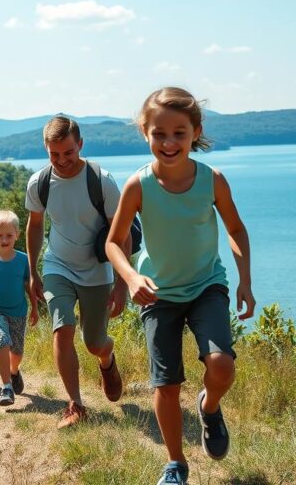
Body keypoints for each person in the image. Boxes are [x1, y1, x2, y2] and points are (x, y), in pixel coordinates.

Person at [105, 87, 256, 485]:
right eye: (159, 134)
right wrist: (131, 277)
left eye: (179, 133)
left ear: (195, 132)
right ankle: (176, 464)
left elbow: (236, 229)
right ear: (145, 132)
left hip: (207, 285)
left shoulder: (213, 180)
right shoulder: (138, 185)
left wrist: (245, 281)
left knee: (222, 366)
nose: (169, 143)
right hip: (158, 294)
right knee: (166, 384)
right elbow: (113, 241)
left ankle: (209, 407)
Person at [25, 115, 127, 429]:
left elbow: (122, 232)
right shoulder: (39, 183)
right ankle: (76, 404)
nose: (62, 161)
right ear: (46, 150)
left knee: (94, 342)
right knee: (62, 327)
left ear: (80, 145)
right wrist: (33, 272)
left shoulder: (102, 180)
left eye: (68, 153)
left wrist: (122, 283)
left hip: (97, 270)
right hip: (59, 266)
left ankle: (106, 360)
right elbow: (36, 225)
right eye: (54, 155)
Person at [0, 210, 39, 406]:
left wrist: (35, 308)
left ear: (17, 235)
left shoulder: (22, 260)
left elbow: (29, 286)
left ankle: (14, 371)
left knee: (17, 352)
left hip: (18, 311)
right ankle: (6, 387)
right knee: (2, 340)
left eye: (9, 235)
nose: (4, 239)